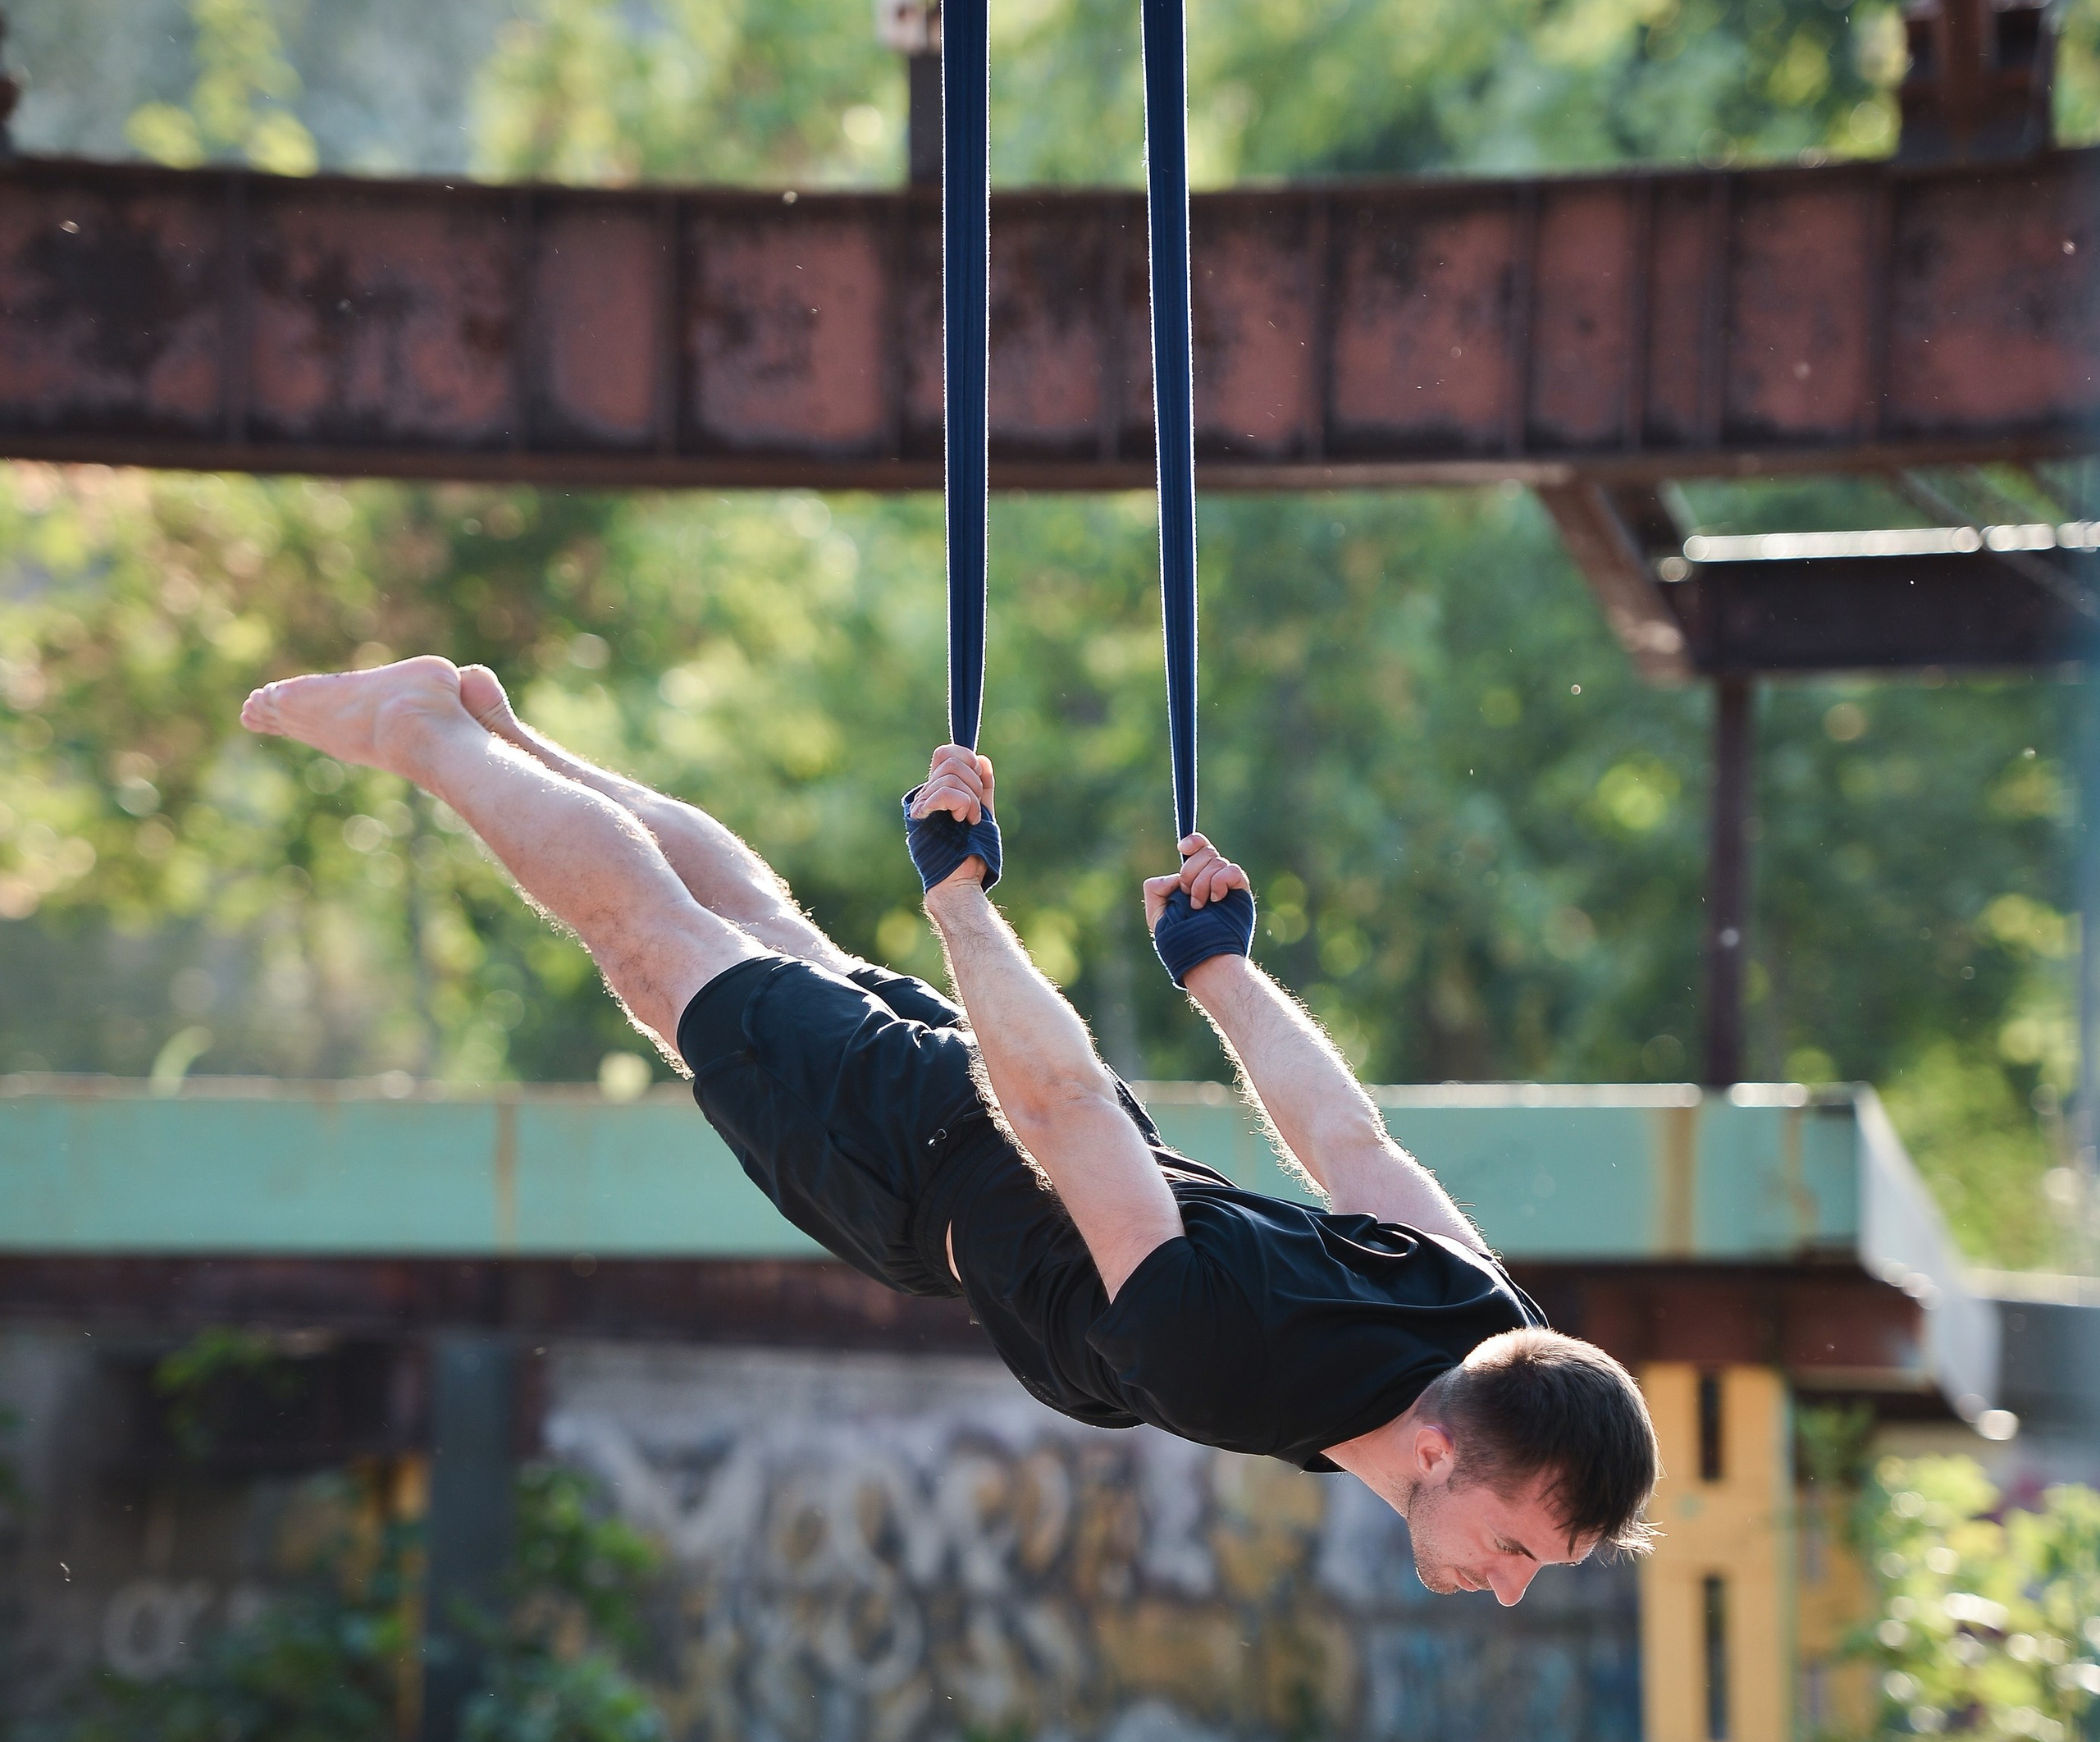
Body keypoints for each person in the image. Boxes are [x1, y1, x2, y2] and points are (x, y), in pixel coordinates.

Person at [240, 656, 1658, 1604]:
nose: (1514, 1583)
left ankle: (500, 735)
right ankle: (429, 738)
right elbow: (1066, 1110)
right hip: (922, 1159)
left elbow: (1352, 1142)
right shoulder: (1235, 1371)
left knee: (754, 930)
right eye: (1520, 1543)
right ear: (1437, 1454)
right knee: (650, 951)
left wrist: (1222, 969)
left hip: (955, 1121)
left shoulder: (1489, 1324)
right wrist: (962, 903)